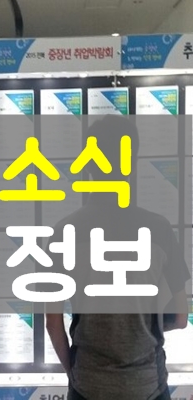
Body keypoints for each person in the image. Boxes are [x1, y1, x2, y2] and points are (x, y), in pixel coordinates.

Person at [45, 116, 190, 400]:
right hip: (147, 385)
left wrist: (74, 374)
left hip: (88, 385)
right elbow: (181, 317)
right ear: (131, 164)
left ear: (88, 165)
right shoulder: (159, 229)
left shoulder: (64, 232)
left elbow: (52, 322)